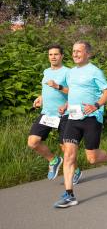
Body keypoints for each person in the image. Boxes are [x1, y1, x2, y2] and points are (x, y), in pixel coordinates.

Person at [54, 41, 107, 208]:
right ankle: (69, 194)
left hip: (91, 117)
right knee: (69, 155)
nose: (75, 54)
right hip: (73, 118)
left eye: (79, 51)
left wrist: (96, 105)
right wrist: (66, 106)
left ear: (88, 54)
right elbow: (74, 92)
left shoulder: (95, 71)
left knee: (92, 158)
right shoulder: (70, 73)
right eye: (73, 51)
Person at [28, 44, 82, 184]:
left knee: (65, 148)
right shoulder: (46, 71)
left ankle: (75, 171)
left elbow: (75, 92)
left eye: (56, 54)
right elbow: (46, 90)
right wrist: (40, 98)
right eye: (50, 54)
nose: (53, 57)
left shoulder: (68, 72)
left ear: (62, 56)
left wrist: (58, 87)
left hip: (64, 115)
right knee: (33, 142)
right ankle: (54, 160)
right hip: (48, 114)